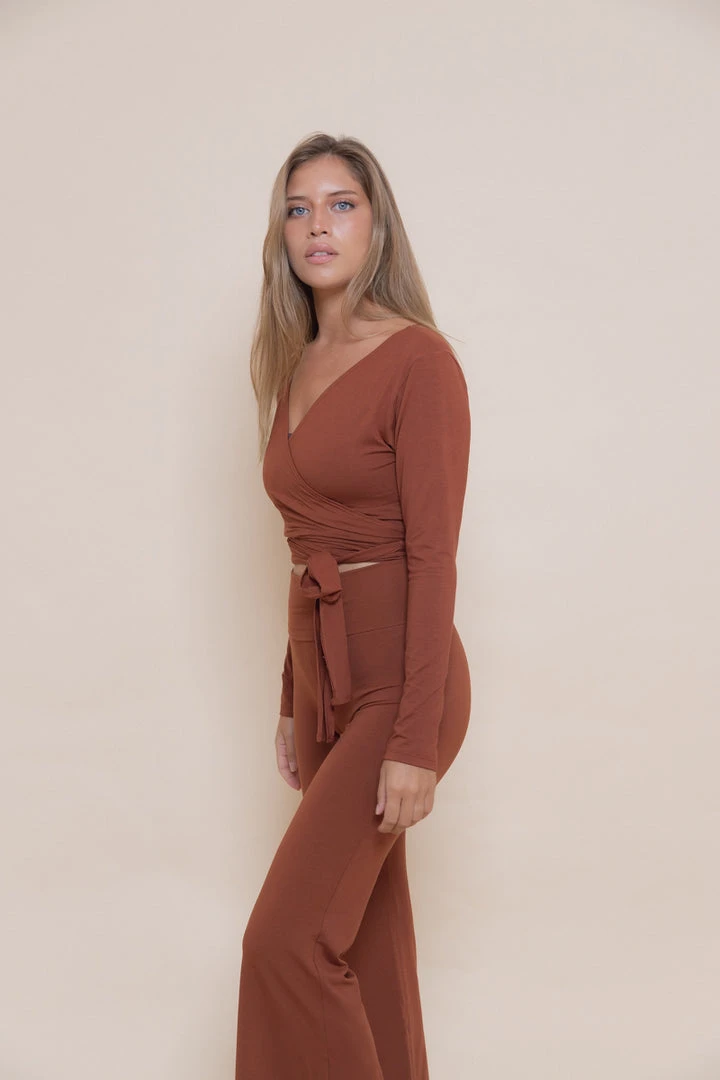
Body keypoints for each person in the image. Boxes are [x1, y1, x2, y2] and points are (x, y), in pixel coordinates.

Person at [235, 132, 472, 1080]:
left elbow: (435, 555)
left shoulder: (419, 361)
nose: (318, 226)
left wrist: (413, 739)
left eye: (341, 204)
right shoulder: (294, 364)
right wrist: (290, 697)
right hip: (326, 683)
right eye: (299, 209)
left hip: (401, 683)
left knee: (286, 942)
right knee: (364, 942)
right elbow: (306, 549)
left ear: (378, 226)